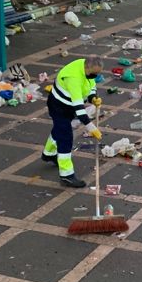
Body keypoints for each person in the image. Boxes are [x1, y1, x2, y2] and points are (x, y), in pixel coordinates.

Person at [42, 56, 103, 188]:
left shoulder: (85, 67)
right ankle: (66, 176)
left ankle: (48, 153)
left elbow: (90, 84)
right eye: (94, 73)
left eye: (97, 74)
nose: (95, 76)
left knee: (59, 129)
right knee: (65, 137)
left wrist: (93, 97)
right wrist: (91, 128)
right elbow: (79, 109)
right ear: (87, 68)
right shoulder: (74, 78)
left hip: (68, 106)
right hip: (59, 106)